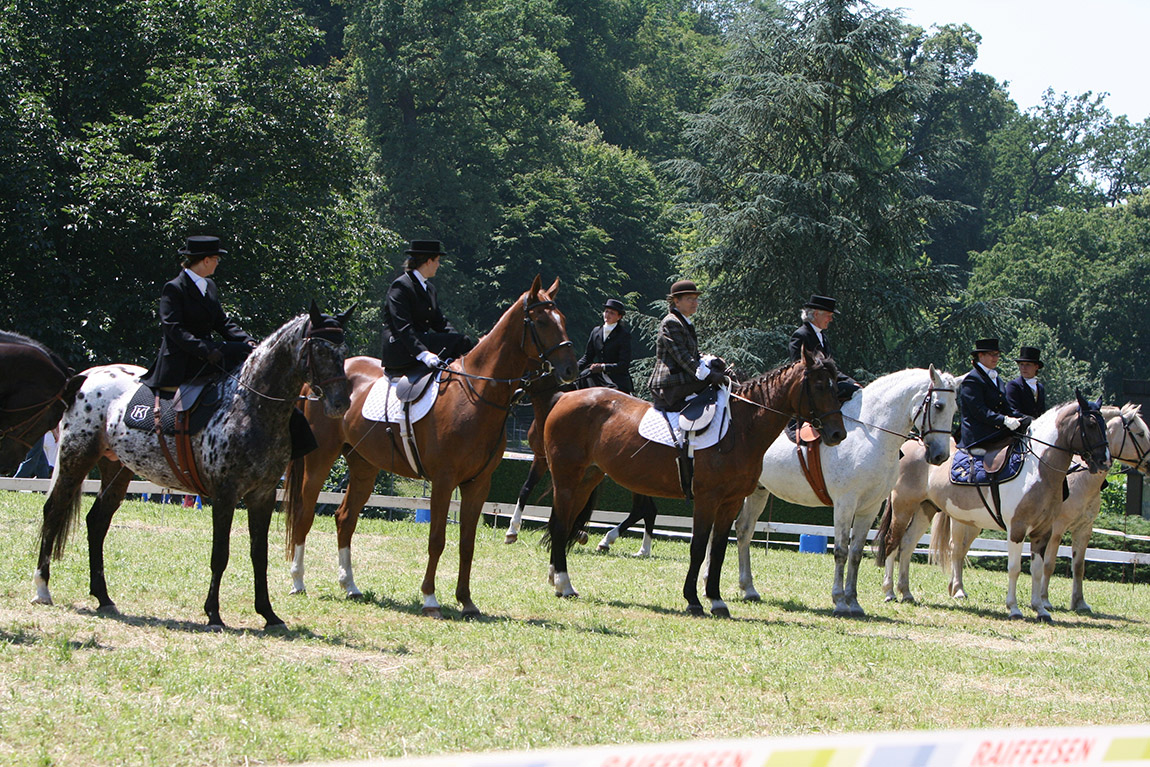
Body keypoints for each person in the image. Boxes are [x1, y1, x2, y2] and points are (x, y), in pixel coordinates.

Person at [140, 236, 256, 390]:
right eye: (216, 259)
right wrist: (205, 350)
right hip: (185, 356)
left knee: (245, 350)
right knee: (238, 353)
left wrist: (247, 341)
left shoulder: (210, 285)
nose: (217, 263)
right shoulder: (175, 288)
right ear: (206, 260)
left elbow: (221, 322)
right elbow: (174, 329)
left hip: (209, 351)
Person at [381, 240, 473, 372]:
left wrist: (457, 339)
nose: (438, 265)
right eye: (437, 261)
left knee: (463, 341)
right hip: (402, 347)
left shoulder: (430, 289)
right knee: (460, 342)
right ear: (429, 261)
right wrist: (422, 353)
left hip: (422, 341)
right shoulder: (401, 286)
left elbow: (440, 323)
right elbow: (403, 327)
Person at [648, 280, 724, 412]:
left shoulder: (684, 322)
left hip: (683, 378)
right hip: (670, 384)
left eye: (696, 299)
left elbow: (693, 353)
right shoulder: (671, 322)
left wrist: (709, 360)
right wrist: (709, 374)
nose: (695, 303)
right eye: (690, 299)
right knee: (719, 382)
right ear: (677, 301)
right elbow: (683, 357)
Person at [958, 338, 1030, 453]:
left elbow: (1006, 408)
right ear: (981, 355)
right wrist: (1004, 420)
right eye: (993, 355)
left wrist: (1026, 419)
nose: (996, 358)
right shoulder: (972, 380)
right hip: (979, 437)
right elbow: (979, 411)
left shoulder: (998, 380)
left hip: (997, 434)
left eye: (997, 355)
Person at [788, 294, 859, 401]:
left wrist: (851, 381)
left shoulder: (823, 337)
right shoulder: (801, 335)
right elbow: (799, 367)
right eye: (829, 315)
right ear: (816, 314)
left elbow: (832, 369)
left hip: (826, 383)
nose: (831, 319)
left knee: (855, 389)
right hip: (814, 388)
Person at [577, 298, 633, 393]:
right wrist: (574, 368)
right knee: (581, 378)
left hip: (616, 379)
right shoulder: (595, 331)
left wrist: (603, 367)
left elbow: (623, 364)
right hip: (598, 375)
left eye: (612, 313)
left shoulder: (624, 335)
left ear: (619, 317)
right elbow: (587, 357)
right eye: (606, 311)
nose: (607, 315)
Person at [1005, 346, 1047, 419]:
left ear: (1036, 367)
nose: (1024, 368)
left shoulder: (1040, 387)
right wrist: (1031, 421)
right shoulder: (1014, 385)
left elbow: (1041, 411)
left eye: (1028, 364)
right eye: (1021, 364)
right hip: (1018, 427)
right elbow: (1012, 411)